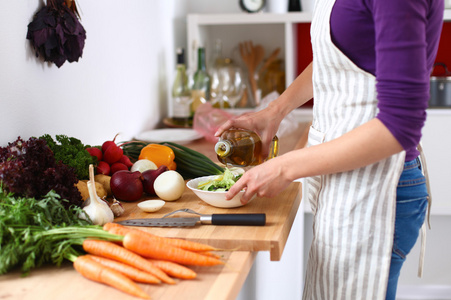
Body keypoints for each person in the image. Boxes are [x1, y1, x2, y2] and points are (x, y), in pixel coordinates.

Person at [214, 0, 444, 299]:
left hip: (378, 189)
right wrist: (274, 111)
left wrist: (284, 167)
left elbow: (399, 125)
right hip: (346, 183)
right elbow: (338, 56)